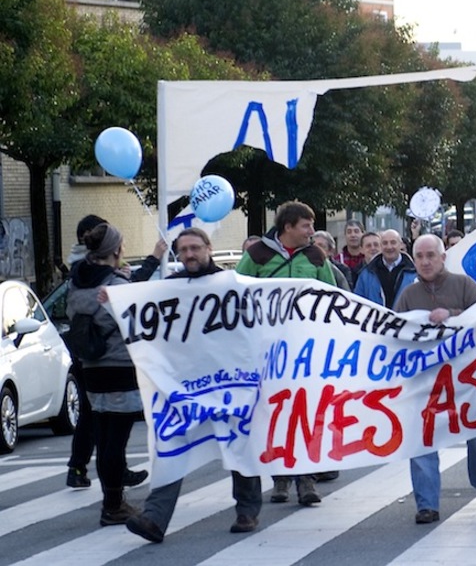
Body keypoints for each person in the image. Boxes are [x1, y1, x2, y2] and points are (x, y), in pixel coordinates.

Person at [126, 228, 263, 541]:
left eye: (195, 248)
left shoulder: (233, 285)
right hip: (185, 386)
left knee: (238, 444)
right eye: (183, 249)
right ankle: (154, 518)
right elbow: (135, 306)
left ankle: (247, 510)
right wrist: (114, 299)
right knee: (170, 445)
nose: (189, 254)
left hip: (230, 382)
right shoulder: (170, 288)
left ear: (209, 248)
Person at [236, 201, 335, 505]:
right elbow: (238, 293)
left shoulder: (316, 255)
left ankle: (306, 479)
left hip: (304, 349)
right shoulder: (256, 255)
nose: (311, 231)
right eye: (306, 225)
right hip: (267, 351)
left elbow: (332, 296)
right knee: (275, 412)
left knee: (305, 411)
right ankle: (280, 478)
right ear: (288, 227)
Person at [395, 234, 476, 524]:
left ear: (443, 257)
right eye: (419, 257)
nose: (425, 262)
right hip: (426, 382)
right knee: (423, 439)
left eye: (430, 255)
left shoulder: (464, 285)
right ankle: (427, 504)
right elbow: (395, 334)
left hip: (466, 381)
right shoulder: (408, 296)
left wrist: (451, 315)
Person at [65, 214, 158, 490]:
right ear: (116, 250)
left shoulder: (76, 281)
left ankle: (109, 496)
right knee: (115, 440)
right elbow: (138, 321)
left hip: (90, 366)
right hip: (118, 365)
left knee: (104, 434)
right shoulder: (116, 285)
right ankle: (114, 502)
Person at [354, 229, 417, 308]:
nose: (389, 247)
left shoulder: (414, 273)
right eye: (385, 243)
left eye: (393, 242)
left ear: (400, 245)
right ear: (380, 246)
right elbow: (357, 304)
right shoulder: (366, 274)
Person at [335, 219, 367, 286]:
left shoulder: (368, 258)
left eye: (356, 231)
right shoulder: (337, 260)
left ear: (363, 234)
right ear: (345, 235)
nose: (353, 235)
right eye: (349, 232)